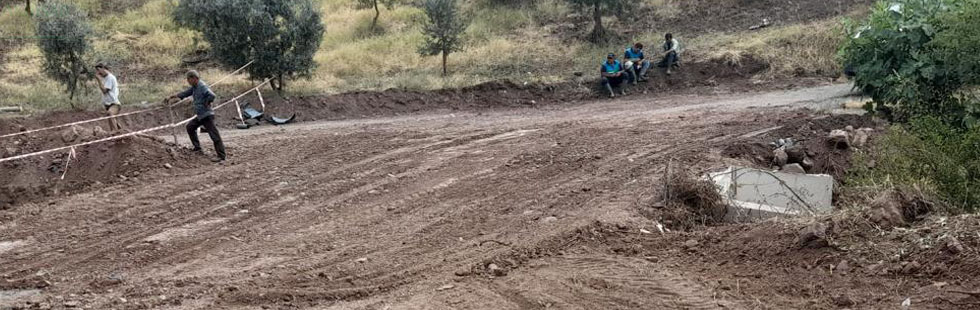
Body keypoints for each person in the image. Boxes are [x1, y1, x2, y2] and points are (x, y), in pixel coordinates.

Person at [168, 70, 226, 162]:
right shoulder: (195, 87)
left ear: (194, 78)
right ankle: (197, 148)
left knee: (214, 135)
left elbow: (212, 95)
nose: (188, 81)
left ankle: (221, 156)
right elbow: (186, 93)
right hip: (200, 115)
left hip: (206, 115)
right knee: (190, 127)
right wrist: (174, 96)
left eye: (189, 79)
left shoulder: (202, 86)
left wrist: (207, 103)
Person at [95, 64, 122, 131]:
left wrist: (99, 80)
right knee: (112, 121)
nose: (98, 73)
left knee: (110, 113)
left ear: (103, 68)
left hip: (114, 103)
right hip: (108, 104)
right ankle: (117, 131)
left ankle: (116, 133)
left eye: (99, 71)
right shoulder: (106, 78)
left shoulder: (110, 77)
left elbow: (104, 90)